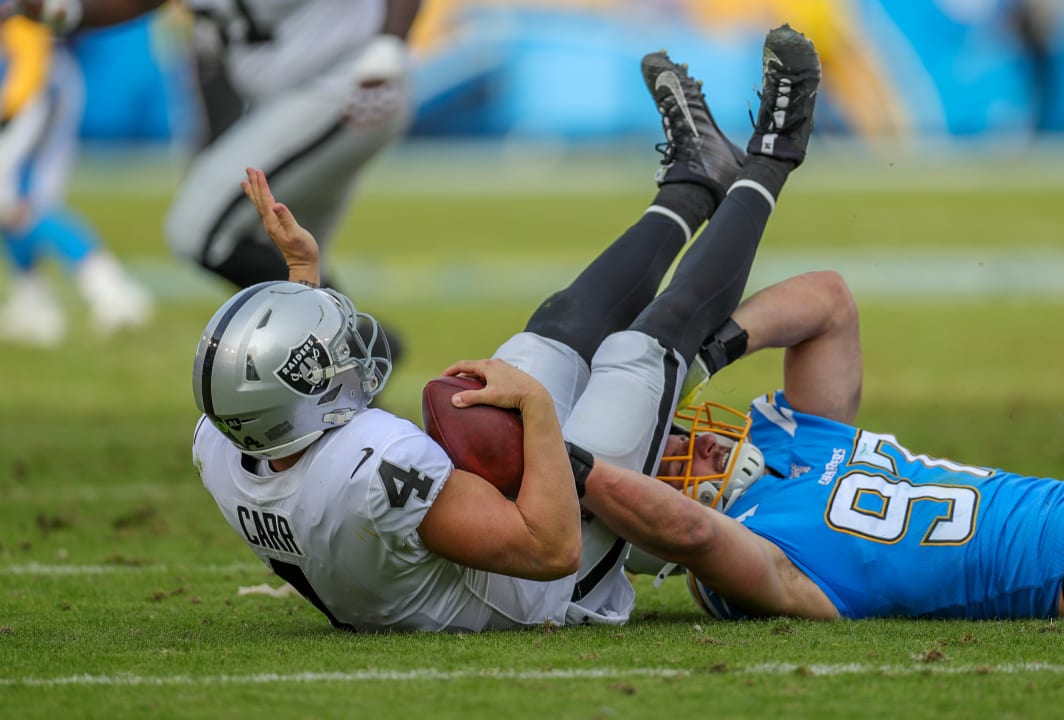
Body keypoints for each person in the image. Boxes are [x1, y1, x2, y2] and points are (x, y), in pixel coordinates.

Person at [186, 24, 822, 632]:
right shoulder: (375, 468)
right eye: (327, 366)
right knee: (643, 347)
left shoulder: (227, 441)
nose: (345, 360)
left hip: (456, 548)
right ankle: (775, 153)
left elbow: (286, 399)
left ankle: (694, 179)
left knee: (555, 328)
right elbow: (550, 550)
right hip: (542, 591)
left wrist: (304, 274)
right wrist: (538, 410)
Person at [568, 263, 1064, 622]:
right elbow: (690, 531)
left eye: (673, 432)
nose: (690, 442)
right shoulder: (745, 565)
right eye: (663, 457)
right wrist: (575, 466)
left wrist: (699, 359)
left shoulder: (793, 437)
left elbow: (829, 301)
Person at [8, 0, 422, 357]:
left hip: (349, 83)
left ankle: (358, 344)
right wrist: (65, 10)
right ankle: (351, 394)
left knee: (198, 228)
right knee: (286, 251)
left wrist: (390, 43)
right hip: (287, 100)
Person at [0, 14, 151, 346]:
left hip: (33, 79)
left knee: (22, 199)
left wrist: (11, 103)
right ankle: (32, 299)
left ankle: (111, 289)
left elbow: (26, 31)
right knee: (11, 201)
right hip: (26, 77)